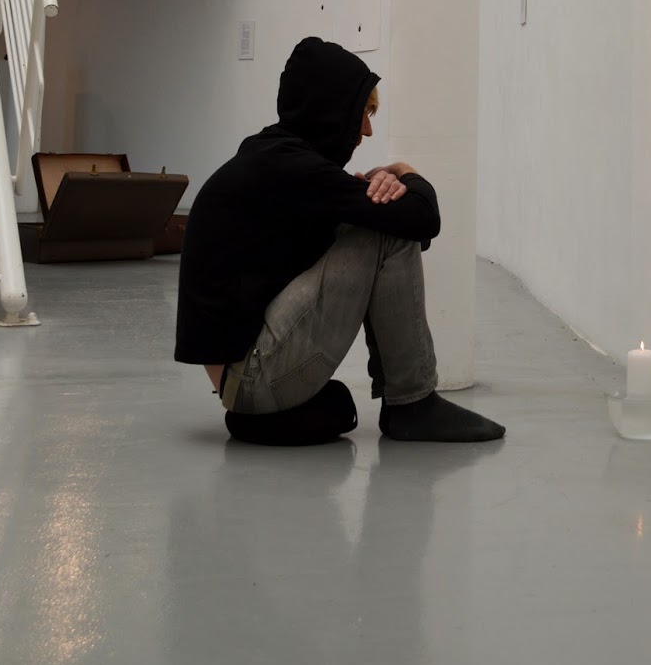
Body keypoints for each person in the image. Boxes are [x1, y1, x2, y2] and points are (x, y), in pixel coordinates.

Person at [175, 37, 505, 446]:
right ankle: (412, 403)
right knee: (383, 230)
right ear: (330, 108)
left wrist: (370, 199)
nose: (367, 129)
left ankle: (403, 404)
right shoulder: (292, 168)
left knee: (375, 223)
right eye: (363, 112)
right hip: (253, 378)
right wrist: (405, 172)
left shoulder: (273, 156)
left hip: (243, 377)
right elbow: (421, 219)